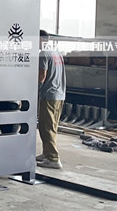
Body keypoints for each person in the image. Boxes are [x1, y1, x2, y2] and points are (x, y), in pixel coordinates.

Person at [36, 30, 66, 169]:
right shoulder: (56, 52)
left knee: (46, 127)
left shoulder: (43, 54)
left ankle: (53, 158)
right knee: (50, 126)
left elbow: (41, 76)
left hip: (49, 95)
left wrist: (33, 90)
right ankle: (46, 153)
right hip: (59, 94)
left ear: (41, 40)